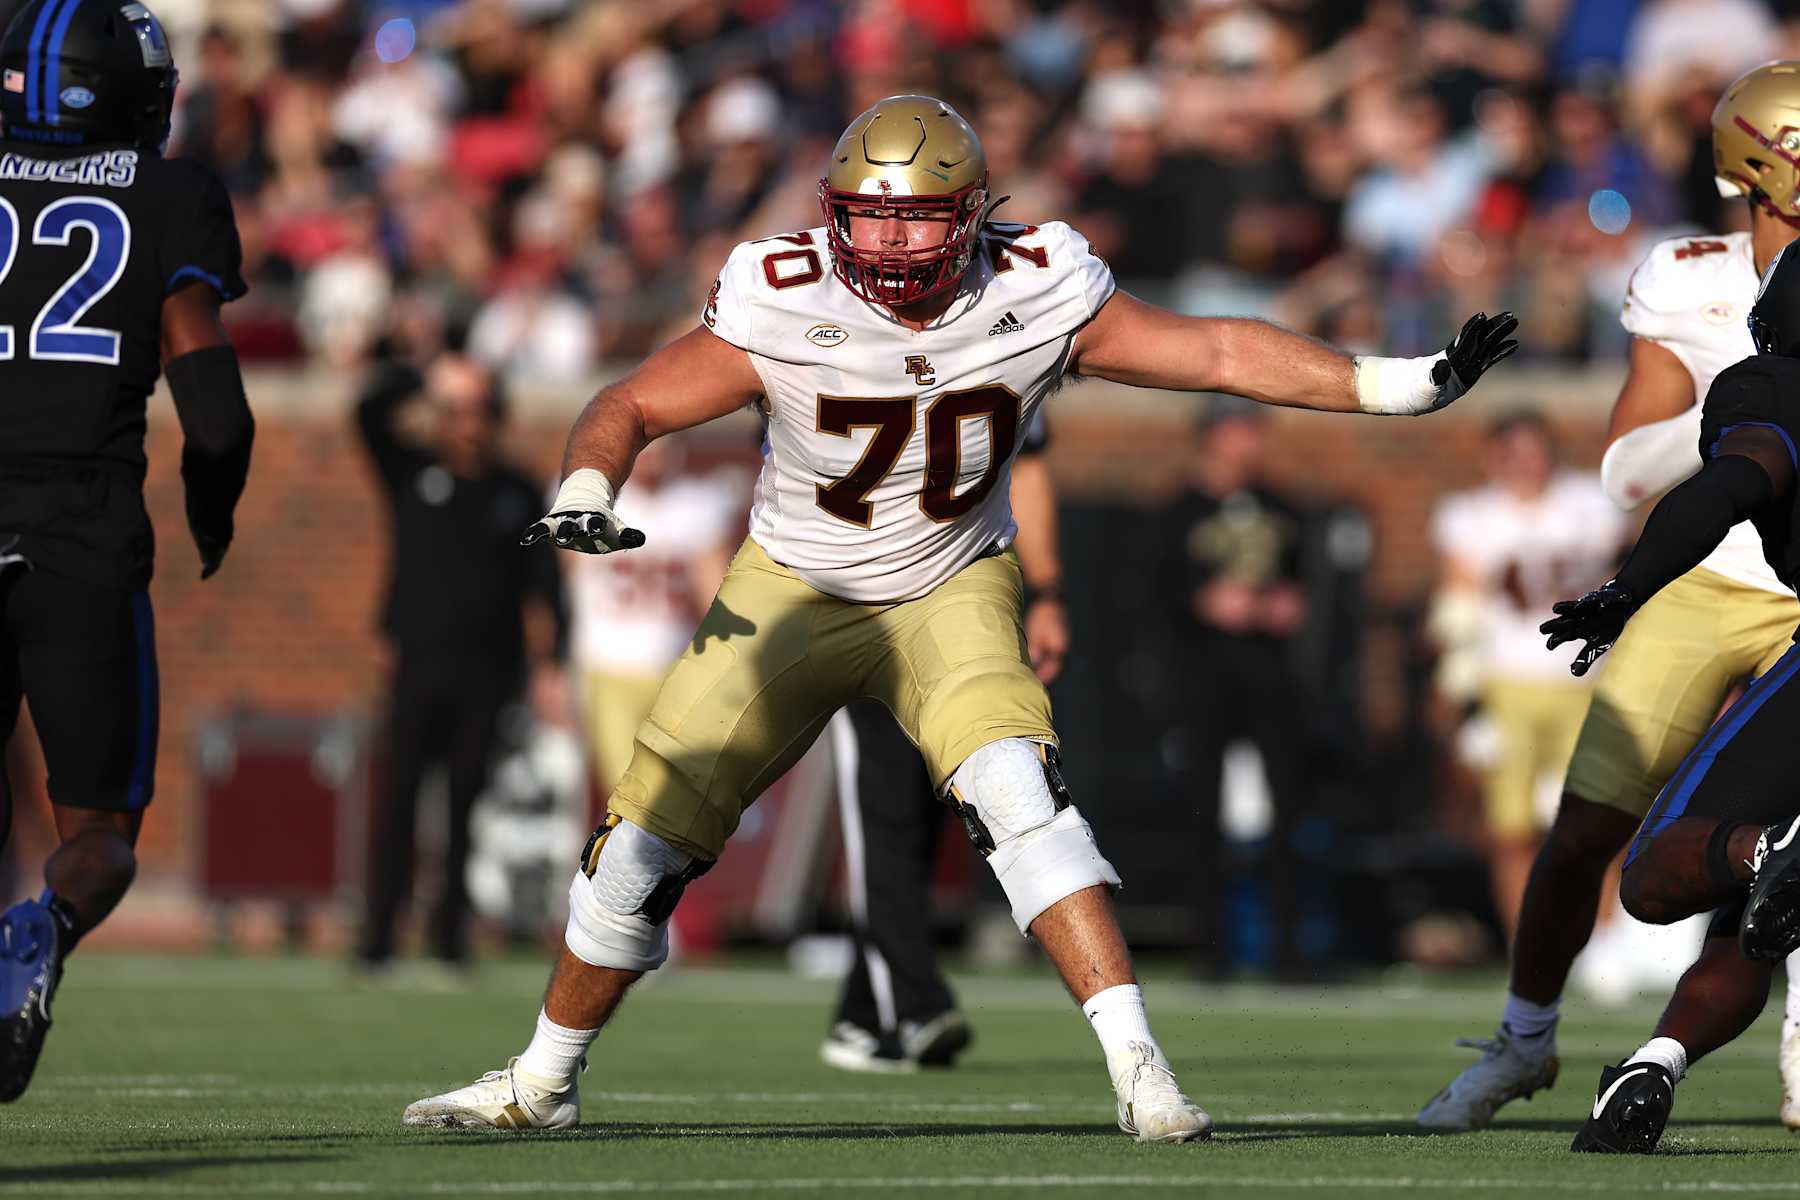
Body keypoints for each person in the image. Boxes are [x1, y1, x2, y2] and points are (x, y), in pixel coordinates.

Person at [402, 94, 1514, 1141]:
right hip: (792, 584)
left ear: (974, 216)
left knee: (1018, 791)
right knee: (641, 840)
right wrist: (588, 486)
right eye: (868, 222)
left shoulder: (1037, 283)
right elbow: (632, 400)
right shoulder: (781, 290)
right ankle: (545, 1078)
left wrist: (1391, 385)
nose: (886, 249)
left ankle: (1140, 1067)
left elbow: (1217, 351)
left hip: (951, 578)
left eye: (915, 221)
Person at [1419, 61, 1800, 1133]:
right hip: (1713, 579)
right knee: (1590, 828)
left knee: (1781, 836)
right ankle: (1524, 1040)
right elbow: (1628, 471)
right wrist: (1744, 402)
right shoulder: (1693, 279)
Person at [0, 0, 253, 1100]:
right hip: (81, 534)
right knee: (97, 839)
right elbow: (217, 416)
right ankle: (36, 933)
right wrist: (211, 508)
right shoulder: (170, 192)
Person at [1547, 238, 1800, 1154]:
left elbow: (1734, 482)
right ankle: (1656, 1059)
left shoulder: (1771, 388)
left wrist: (1627, 587)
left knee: (1659, 878)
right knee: (1758, 911)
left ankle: (1772, 844)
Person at [820, 413, 1064, 1073]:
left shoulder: (1000, 344)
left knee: (942, 799)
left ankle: (866, 1013)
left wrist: (1044, 593)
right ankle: (914, 1002)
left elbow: (1031, 467)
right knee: (885, 802)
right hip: (866, 603)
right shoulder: (835, 342)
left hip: (964, 609)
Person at [353, 353, 564, 973]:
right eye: (456, 409)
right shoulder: (411, 471)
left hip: (488, 670)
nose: (467, 423)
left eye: (478, 409)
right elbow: (366, 411)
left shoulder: (515, 488)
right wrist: (423, 369)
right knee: (398, 801)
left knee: (466, 802)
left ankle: (450, 935)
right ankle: (378, 935)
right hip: (415, 664)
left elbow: (545, 582)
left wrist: (550, 660)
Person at [1429, 412, 1627, 945]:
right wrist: (1460, 697)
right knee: (1511, 828)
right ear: (1493, 458)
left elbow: (1628, 578)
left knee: (1596, 822)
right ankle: (1528, 947)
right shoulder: (1472, 516)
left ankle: (1602, 949)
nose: (1528, 463)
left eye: (1536, 449)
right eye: (1515, 452)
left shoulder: (1589, 503)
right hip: (1507, 684)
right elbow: (1458, 611)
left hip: (1586, 681)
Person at [1159, 400, 1314, 980]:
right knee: (1204, 812)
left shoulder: (1282, 509)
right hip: (1204, 680)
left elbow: (1304, 588)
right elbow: (1154, 595)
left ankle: (1288, 950)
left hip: (1271, 679)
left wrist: (1284, 606)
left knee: (1286, 806)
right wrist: (1203, 603)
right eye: (1238, 433)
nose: (1248, 445)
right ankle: (1210, 948)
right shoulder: (1178, 513)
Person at [563, 436, 742, 802]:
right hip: (606, 664)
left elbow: (714, 591)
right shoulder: (592, 505)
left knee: (673, 789)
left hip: (672, 662)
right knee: (629, 790)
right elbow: (564, 584)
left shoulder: (694, 504)